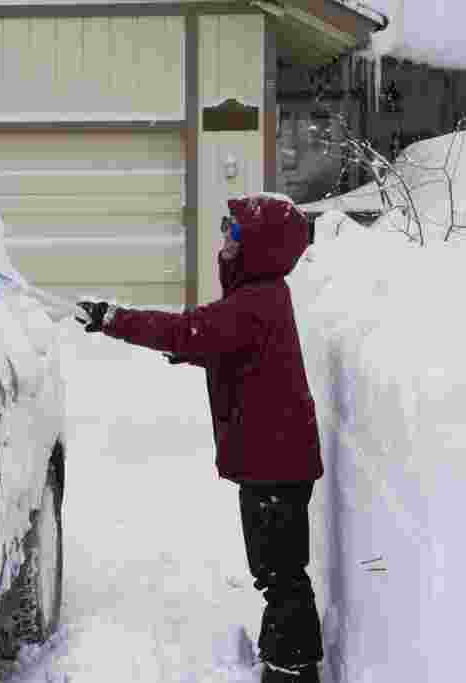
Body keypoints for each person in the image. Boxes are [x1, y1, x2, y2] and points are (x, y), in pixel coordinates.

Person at [76, 193, 323, 683]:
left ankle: (293, 669)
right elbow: (211, 339)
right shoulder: (258, 298)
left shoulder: (258, 302)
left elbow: (190, 331)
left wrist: (112, 319)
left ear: (261, 245)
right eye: (226, 227)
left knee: (280, 573)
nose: (225, 239)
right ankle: (286, 658)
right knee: (276, 569)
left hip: (276, 461)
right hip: (276, 457)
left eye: (235, 231)